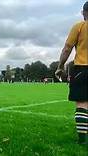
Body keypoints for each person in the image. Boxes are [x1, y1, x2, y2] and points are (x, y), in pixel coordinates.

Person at [55, 1, 88, 145]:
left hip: (82, 68)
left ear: (83, 12)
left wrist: (60, 66)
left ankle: (82, 140)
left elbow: (67, 48)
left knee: (82, 103)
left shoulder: (79, 26)